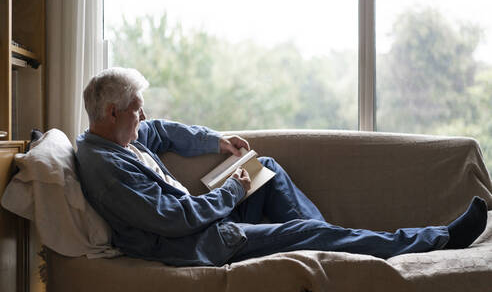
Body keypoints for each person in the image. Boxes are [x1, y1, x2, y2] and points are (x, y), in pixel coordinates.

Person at [76, 67, 488, 267]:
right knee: (306, 230)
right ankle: (436, 240)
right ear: (112, 112)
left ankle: (333, 246)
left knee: (266, 168)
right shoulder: (106, 167)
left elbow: (162, 132)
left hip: (205, 222)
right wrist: (232, 191)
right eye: (136, 109)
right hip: (197, 243)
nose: (143, 117)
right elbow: (172, 218)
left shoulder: (118, 139)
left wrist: (216, 141)